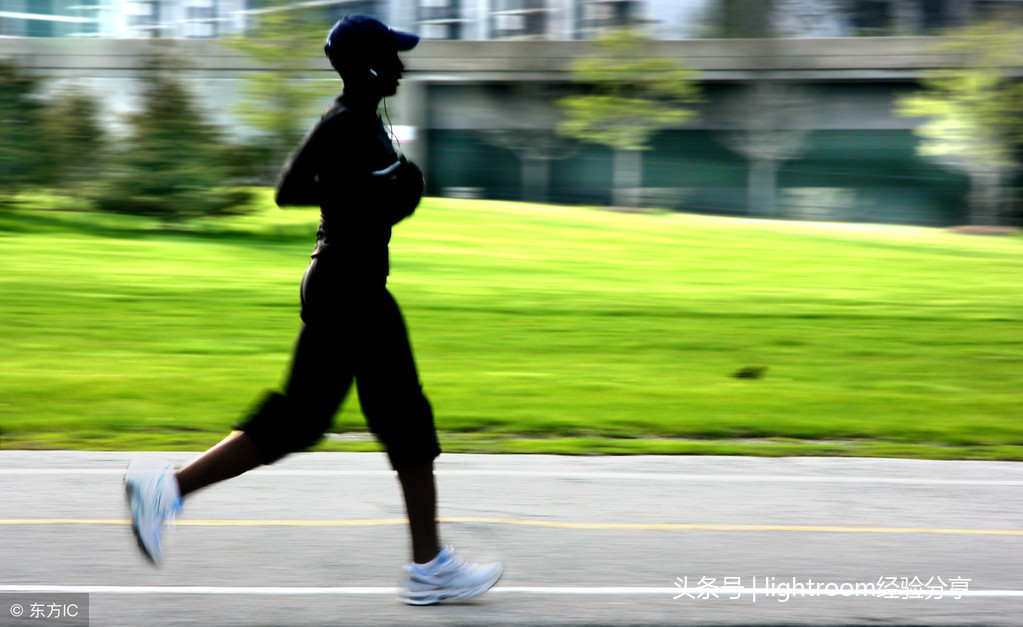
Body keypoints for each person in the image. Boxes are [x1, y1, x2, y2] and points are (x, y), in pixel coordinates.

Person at [123, 14, 503, 606]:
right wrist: (376, 194)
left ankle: (167, 491)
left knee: (313, 421)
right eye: (393, 56)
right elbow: (289, 189)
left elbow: (363, 196)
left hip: (354, 287)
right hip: (345, 288)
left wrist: (389, 194)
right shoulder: (343, 122)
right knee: (397, 418)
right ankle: (429, 567)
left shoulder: (370, 123)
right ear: (369, 64)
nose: (402, 65)